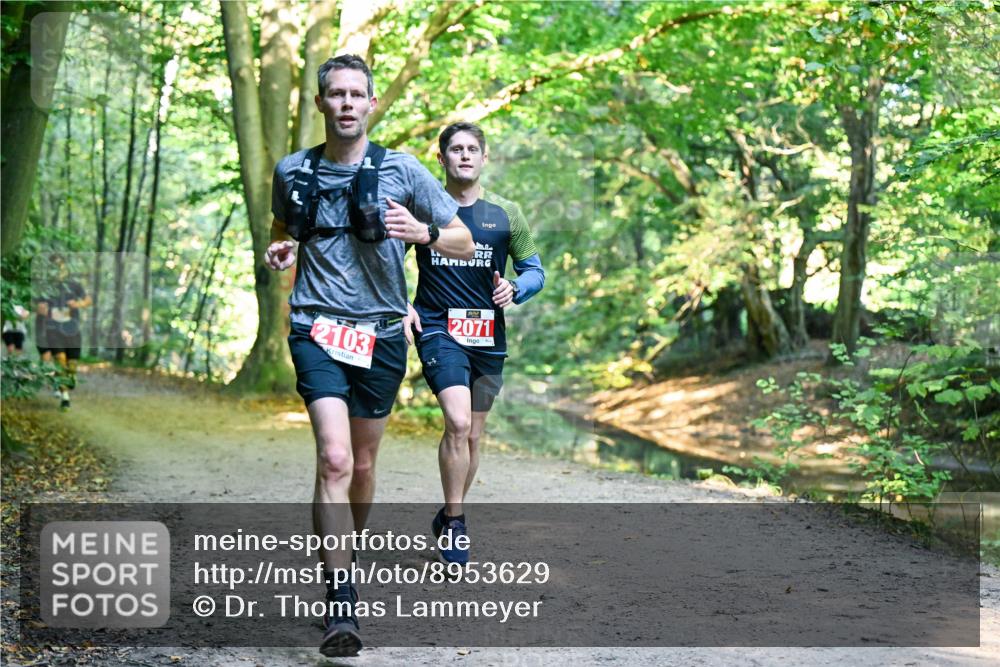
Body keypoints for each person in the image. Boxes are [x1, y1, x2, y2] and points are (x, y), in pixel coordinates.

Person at [264, 54, 473, 658]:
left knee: (359, 466)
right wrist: (281, 249)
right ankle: (341, 599)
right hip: (315, 326)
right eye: (337, 94)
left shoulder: (403, 171)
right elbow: (283, 227)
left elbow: (462, 237)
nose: (348, 103)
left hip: (380, 334)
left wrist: (424, 233)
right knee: (332, 458)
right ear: (321, 104)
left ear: (372, 104)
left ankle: (341, 555)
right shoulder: (293, 170)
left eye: (358, 94)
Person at [406, 122, 545, 565]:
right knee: (459, 423)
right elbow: (386, 260)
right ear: (441, 158)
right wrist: (398, 304)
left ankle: (448, 514)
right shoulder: (423, 208)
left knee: (475, 436)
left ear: (485, 158)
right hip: (438, 328)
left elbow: (535, 270)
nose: (464, 155)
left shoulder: (507, 214)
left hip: (488, 338)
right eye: (455, 149)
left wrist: (517, 289)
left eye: (472, 149)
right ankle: (459, 524)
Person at [45, 257, 90, 409]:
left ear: (66, 267)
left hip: (72, 330)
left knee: (71, 366)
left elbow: (88, 300)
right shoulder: (48, 288)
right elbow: (36, 304)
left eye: (60, 266)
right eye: (55, 266)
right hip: (54, 331)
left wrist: (78, 304)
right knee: (60, 361)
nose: (58, 269)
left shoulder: (74, 285)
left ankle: (69, 378)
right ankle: (65, 397)